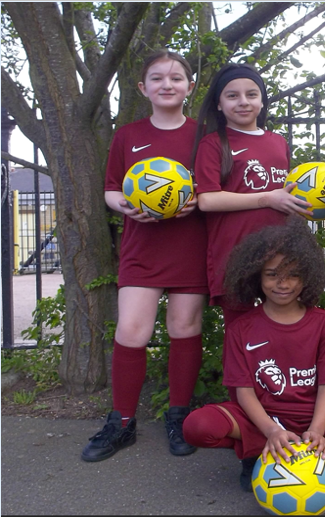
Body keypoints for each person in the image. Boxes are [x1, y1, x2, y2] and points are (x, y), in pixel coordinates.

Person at [182, 216, 325, 492]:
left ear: (307, 276)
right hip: (263, 417)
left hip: (321, 416)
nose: (282, 283)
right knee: (197, 426)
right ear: (256, 276)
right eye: (272, 274)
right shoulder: (241, 329)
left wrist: (318, 431)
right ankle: (256, 452)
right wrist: (271, 430)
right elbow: (244, 391)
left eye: (292, 274)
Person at [81, 50, 208, 462]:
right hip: (142, 248)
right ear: (143, 88)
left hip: (190, 245)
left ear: (190, 87)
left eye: (176, 78)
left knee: (183, 328)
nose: (167, 84)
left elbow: (212, 188)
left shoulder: (203, 135)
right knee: (132, 331)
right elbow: (111, 189)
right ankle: (121, 423)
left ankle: (179, 416)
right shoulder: (128, 135)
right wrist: (128, 206)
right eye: (157, 78)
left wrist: (196, 202)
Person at [191, 63, 311, 329]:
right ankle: (237, 373)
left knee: (281, 328)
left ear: (262, 101)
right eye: (232, 95)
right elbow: (208, 200)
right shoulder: (212, 144)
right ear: (219, 104)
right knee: (240, 333)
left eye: (252, 94)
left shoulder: (278, 142)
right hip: (235, 253)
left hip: (280, 253)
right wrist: (267, 198)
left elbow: (287, 195)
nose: (243, 102)